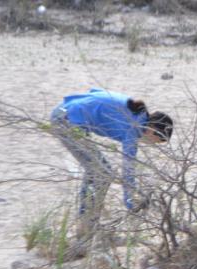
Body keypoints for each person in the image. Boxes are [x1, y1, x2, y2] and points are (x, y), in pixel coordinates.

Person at [50, 88, 172, 245]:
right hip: (65, 121)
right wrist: (130, 202)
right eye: (157, 141)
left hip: (65, 112)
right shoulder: (133, 127)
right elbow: (128, 169)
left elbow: (95, 91)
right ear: (154, 131)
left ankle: (88, 225)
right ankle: (85, 228)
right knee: (101, 173)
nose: (152, 144)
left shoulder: (136, 114)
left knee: (98, 171)